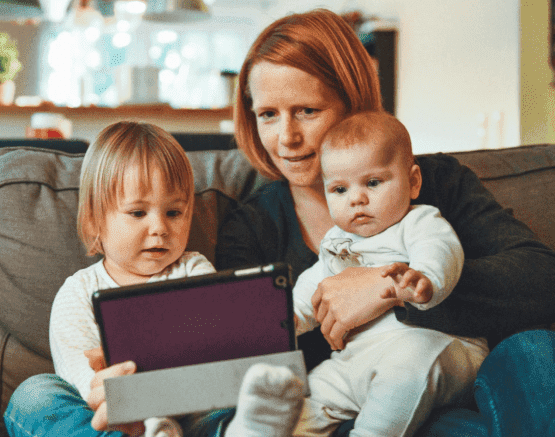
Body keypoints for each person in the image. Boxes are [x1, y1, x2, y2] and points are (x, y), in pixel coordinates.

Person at [212, 7, 555, 437]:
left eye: (307, 111)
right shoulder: (250, 227)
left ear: (351, 104)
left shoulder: (435, 183)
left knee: (537, 350)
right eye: (268, 115)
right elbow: (246, 351)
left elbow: (542, 278)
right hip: (343, 408)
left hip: (458, 383)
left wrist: (389, 288)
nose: (287, 138)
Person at [4, 121, 307, 437]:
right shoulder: (78, 292)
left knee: (243, 392)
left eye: (174, 213)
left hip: (191, 412)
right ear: (94, 220)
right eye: (138, 213)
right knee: (36, 394)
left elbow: (217, 353)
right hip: (115, 420)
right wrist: (123, 399)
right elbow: (82, 381)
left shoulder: (193, 270)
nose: (160, 228)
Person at [291, 111, 488, 437]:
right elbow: (315, 285)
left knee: (405, 368)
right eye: (339, 190)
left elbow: (440, 250)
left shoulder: (418, 221)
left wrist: (423, 280)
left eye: (372, 183)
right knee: (300, 404)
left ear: (413, 182)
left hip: (433, 348)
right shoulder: (335, 242)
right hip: (354, 362)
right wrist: (289, 317)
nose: (357, 198)